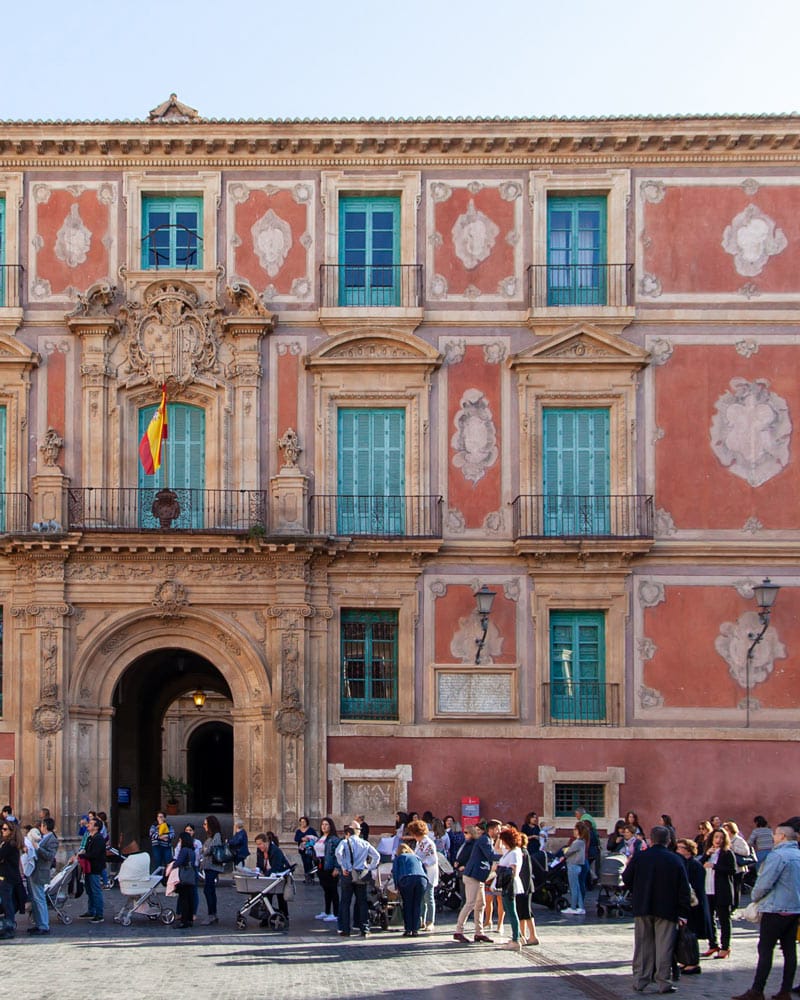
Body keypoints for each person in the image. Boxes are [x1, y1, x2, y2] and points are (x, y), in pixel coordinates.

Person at [732, 824, 800, 1000]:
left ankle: (757, 990)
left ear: (783, 836)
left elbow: (764, 883)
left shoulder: (777, 855)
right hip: (794, 909)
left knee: (765, 949)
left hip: (775, 908)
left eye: (775, 834)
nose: (773, 837)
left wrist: (755, 898)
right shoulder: (798, 855)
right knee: (790, 950)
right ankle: (785, 991)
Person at [622, 824, 691, 994]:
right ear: (668, 841)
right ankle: (663, 982)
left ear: (651, 840)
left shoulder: (640, 857)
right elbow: (684, 889)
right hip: (667, 909)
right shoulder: (675, 859)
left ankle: (640, 980)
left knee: (643, 945)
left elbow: (626, 878)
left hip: (643, 905)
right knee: (664, 947)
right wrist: (683, 912)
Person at [453, 819, 499, 944]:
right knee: (470, 903)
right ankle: (459, 931)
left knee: (481, 904)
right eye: (497, 829)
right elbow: (491, 856)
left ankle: (479, 933)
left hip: (478, 876)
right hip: (473, 876)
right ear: (490, 830)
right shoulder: (484, 840)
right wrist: (507, 855)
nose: (499, 831)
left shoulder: (487, 840)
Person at [334, 823, 379, 937]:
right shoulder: (365, 843)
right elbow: (377, 856)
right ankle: (364, 928)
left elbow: (338, 853)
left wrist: (343, 866)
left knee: (345, 902)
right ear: (357, 831)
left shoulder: (345, 842)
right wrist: (369, 867)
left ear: (348, 832)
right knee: (362, 902)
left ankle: (345, 929)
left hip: (348, 873)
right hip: (361, 874)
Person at [675, 838, 711, 976]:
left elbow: (695, 887)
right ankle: (685, 961)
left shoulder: (695, 865)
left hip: (694, 904)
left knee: (691, 935)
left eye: (681, 848)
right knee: (684, 935)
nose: (678, 850)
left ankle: (693, 963)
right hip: (687, 903)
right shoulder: (683, 863)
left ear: (688, 850)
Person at [701, 826, 736, 959]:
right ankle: (712, 944)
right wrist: (706, 855)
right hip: (708, 889)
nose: (718, 840)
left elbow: (732, 870)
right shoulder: (708, 852)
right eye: (716, 837)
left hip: (722, 890)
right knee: (709, 919)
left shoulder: (727, 853)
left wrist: (715, 866)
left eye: (721, 838)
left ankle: (725, 947)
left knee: (724, 919)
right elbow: (699, 865)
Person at [493, 827, 524, 951]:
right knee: (509, 909)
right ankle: (518, 936)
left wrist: (498, 868)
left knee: (511, 911)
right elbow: (497, 848)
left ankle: (516, 940)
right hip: (507, 883)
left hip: (510, 884)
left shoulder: (515, 853)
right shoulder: (510, 851)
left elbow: (512, 870)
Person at [28, 816, 58, 936]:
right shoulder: (43, 837)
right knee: (34, 899)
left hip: (40, 871)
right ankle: (38, 923)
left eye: (41, 825)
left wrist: (38, 848)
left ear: (45, 826)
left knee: (39, 899)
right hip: (33, 870)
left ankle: (44, 925)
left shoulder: (52, 839)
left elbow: (49, 856)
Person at [407, 818, 439, 931]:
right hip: (421, 873)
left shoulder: (428, 843)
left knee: (428, 898)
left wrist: (420, 862)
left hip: (429, 874)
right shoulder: (419, 843)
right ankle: (420, 920)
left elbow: (432, 860)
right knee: (420, 898)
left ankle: (430, 921)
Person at [392, 843, 428, 937]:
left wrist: (397, 886)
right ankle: (415, 929)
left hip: (407, 879)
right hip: (421, 879)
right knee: (417, 904)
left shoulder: (399, 858)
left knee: (407, 904)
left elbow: (395, 872)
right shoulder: (416, 857)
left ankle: (408, 929)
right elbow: (424, 870)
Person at [255, 832, 291, 922]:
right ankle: (266, 917)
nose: (259, 846)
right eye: (257, 844)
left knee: (280, 896)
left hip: (280, 875)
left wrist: (266, 873)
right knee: (266, 895)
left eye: (260, 844)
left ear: (266, 842)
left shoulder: (275, 851)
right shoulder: (259, 851)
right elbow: (259, 864)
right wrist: (257, 871)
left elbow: (276, 867)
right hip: (268, 876)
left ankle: (284, 915)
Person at [78, 817, 106, 923]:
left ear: (96, 827)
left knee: (95, 891)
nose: (88, 825)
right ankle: (91, 911)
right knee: (90, 890)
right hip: (89, 868)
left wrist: (83, 856)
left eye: (91, 823)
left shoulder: (98, 838)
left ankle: (99, 914)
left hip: (95, 868)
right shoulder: (90, 837)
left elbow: (94, 854)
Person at [313, 817, 340, 923]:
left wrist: (337, 867)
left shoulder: (334, 839)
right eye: (322, 824)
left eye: (326, 824)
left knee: (333, 890)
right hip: (321, 865)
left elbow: (338, 854)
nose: (324, 826)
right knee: (326, 890)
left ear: (331, 826)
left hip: (330, 865)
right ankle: (327, 911)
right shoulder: (320, 838)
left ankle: (336, 913)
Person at [0, 820, 23, 939]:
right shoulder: (7, 844)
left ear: (11, 831)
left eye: (5, 829)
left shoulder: (10, 844)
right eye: (2, 829)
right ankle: (7, 925)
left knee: (7, 903)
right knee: (6, 902)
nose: (2, 831)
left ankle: (9, 927)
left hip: (7, 877)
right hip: (6, 876)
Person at [200, 815, 224, 926]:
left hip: (213, 866)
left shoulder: (216, 835)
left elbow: (209, 850)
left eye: (205, 824)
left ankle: (212, 915)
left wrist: (205, 849)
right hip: (208, 867)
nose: (203, 826)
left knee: (208, 890)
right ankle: (213, 914)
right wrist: (204, 849)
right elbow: (203, 850)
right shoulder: (211, 836)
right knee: (209, 890)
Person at [516, 832, 539, 946]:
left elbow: (525, 872)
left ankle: (533, 936)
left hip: (524, 887)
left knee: (525, 912)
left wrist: (523, 889)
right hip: (525, 886)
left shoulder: (523, 853)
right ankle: (523, 935)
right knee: (523, 912)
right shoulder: (524, 852)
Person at [563, 822, 588, 915]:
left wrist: (565, 851)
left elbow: (568, 852)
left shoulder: (577, 842)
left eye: (575, 829)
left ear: (578, 831)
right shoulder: (582, 842)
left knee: (574, 887)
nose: (573, 831)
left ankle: (574, 906)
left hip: (573, 865)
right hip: (576, 866)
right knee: (576, 887)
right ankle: (580, 906)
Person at [173, 831, 196, 929]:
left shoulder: (184, 850)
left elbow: (178, 862)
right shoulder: (191, 851)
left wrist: (171, 865)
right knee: (190, 899)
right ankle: (189, 920)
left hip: (184, 877)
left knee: (184, 900)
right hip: (191, 876)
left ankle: (184, 921)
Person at [294, 816, 318, 882]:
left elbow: (316, 838)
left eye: (304, 821)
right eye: (301, 822)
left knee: (309, 862)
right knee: (305, 863)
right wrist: (301, 838)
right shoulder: (298, 831)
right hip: (302, 849)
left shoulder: (311, 830)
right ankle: (307, 877)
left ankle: (311, 877)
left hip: (309, 849)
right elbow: (296, 839)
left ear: (307, 822)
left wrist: (309, 839)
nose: (302, 823)